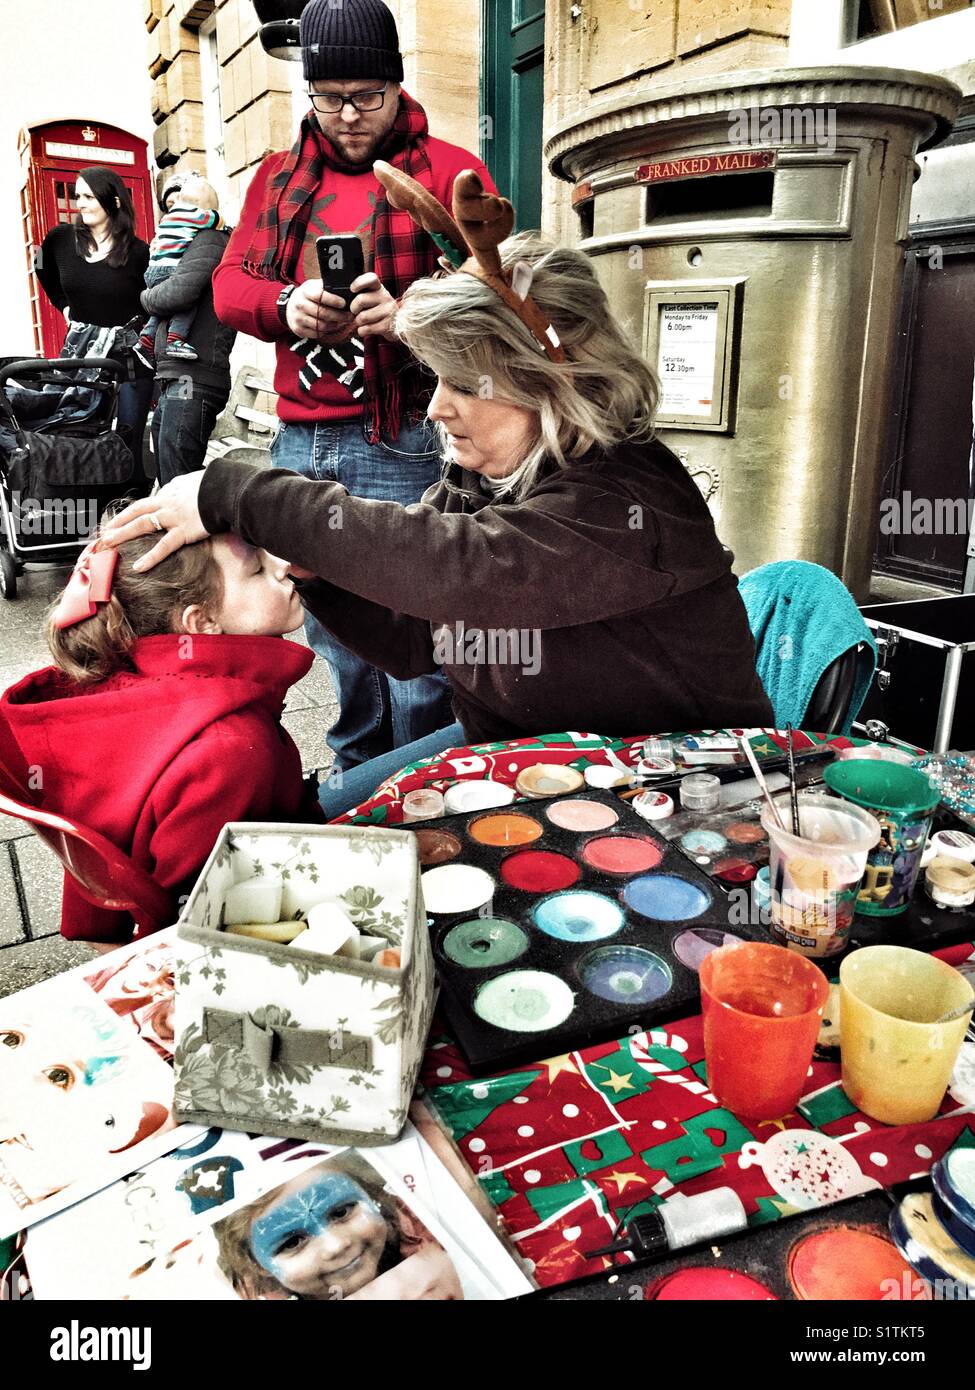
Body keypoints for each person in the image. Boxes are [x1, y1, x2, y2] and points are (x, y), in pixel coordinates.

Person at [98, 233, 775, 821]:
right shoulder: (488, 474)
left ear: (554, 382)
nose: (436, 409)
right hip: (526, 750)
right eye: (437, 379)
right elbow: (418, 636)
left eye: (466, 384)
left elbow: (462, 569)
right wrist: (316, 572)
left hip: (676, 783)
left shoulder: (627, 496)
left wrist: (239, 493)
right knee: (299, 825)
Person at [212, 0, 495, 774]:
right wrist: (285, 305)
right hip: (301, 441)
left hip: (403, 434)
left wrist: (407, 316)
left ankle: (424, 780)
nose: (346, 115)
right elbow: (229, 286)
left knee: (415, 633)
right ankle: (357, 779)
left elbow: (492, 290)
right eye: (328, 97)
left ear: (397, 84)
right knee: (334, 631)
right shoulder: (276, 178)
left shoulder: (449, 171)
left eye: (367, 96)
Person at [0, 529, 317, 945]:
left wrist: (101, 933)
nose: (282, 565)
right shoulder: (230, 750)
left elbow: (95, 833)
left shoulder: (118, 687)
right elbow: (189, 928)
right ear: (201, 622)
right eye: (256, 569)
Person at [34, 167, 153, 490]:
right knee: (76, 435)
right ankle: (87, 506)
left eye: (89, 196)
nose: (80, 204)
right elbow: (40, 267)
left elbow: (153, 303)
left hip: (127, 364)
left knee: (127, 443)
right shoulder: (60, 239)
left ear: (113, 200)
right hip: (81, 359)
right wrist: (63, 305)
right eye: (78, 196)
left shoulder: (139, 252)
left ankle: (129, 503)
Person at [213, 1155, 463, 1300]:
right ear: (256, 1265)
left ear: (369, 1194)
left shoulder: (429, 1225)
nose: (337, 1245)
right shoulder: (248, 1289)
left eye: (341, 1212)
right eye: (292, 1242)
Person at [142, 173, 235, 486]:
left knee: (178, 478)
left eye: (184, 203)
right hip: (176, 374)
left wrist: (145, 298)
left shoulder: (209, 239)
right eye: (170, 206)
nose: (176, 212)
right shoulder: (187, 244)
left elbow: (177, 294)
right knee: (167, 471)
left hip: (194, 377)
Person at [139, 173, 223, 364]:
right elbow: (215, 219)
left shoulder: (167, 221)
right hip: (168, 269)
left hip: (153, 270)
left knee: (161, 310)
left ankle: (147, 336)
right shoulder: (195, 215)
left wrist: (146, 296)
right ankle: (175, 339)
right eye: (169, 203)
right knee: (187, 304)